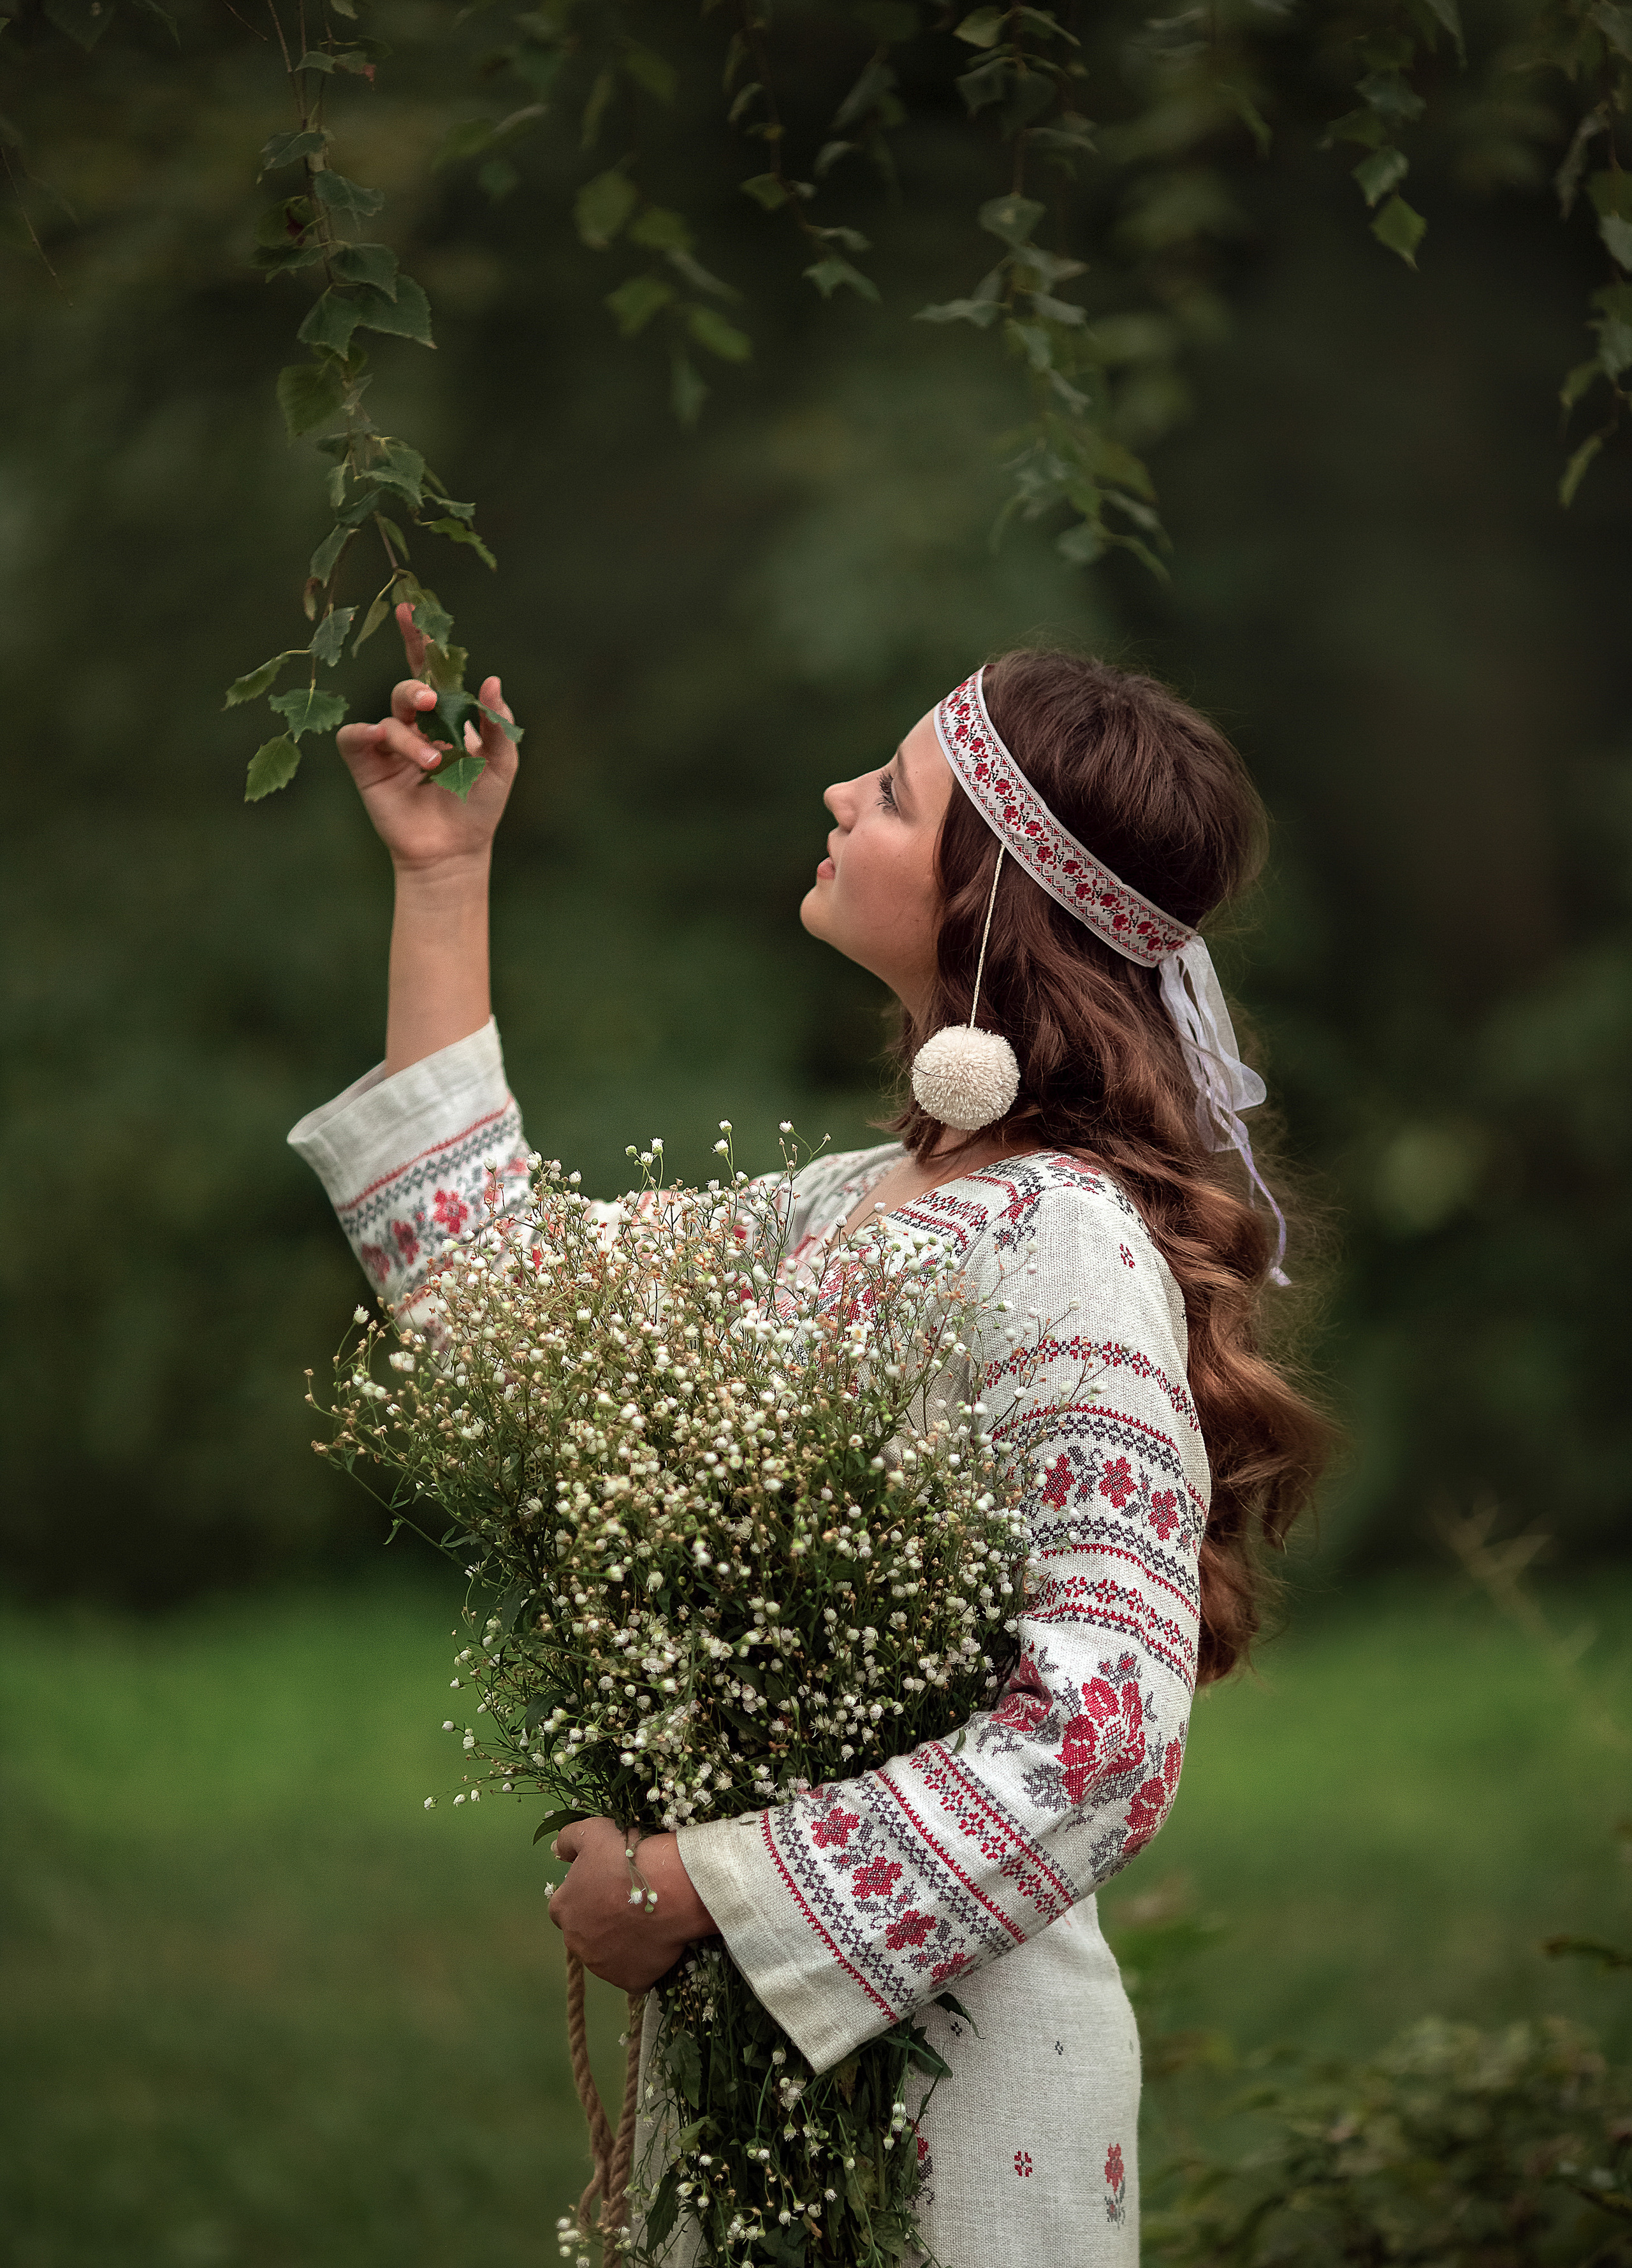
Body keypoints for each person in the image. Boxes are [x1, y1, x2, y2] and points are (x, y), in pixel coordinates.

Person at [289, 608, 1332, 2263]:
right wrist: (438, 876)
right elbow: (502, 1301)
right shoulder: (847, 1209)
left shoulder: (1064, 1242)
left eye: (901, 794)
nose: (843, 792)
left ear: (991, 907)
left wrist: (701, 1887)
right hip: (756, 2052)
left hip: (963, 2097)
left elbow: (1108, 1730)